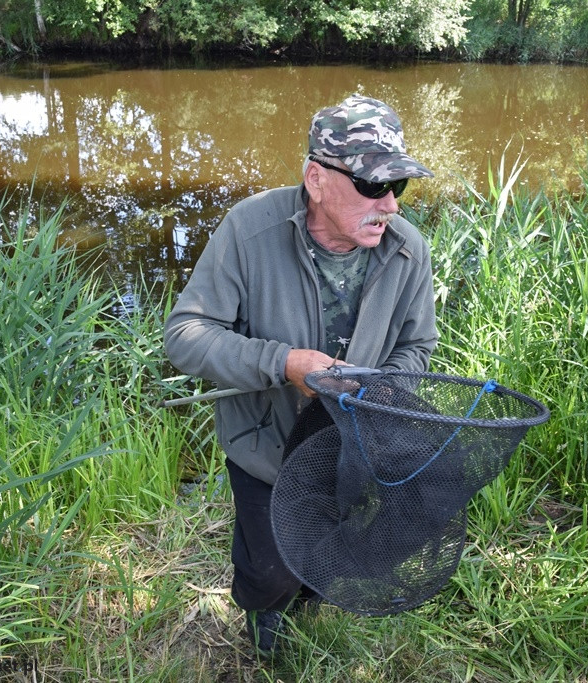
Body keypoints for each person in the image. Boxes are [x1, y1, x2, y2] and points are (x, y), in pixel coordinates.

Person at [163, 94, 438, 657]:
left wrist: (382, 388)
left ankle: (308, 593)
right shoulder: (249, 229)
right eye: (371, 186)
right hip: (266, 445)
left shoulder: (409, 250)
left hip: (351, 446)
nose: (389, 205)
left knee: (326, 554)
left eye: (398, 187)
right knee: (269, 571)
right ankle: (264, 611)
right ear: (316, 178)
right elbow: (184, 335)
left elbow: (417, 347)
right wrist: (285, 363)